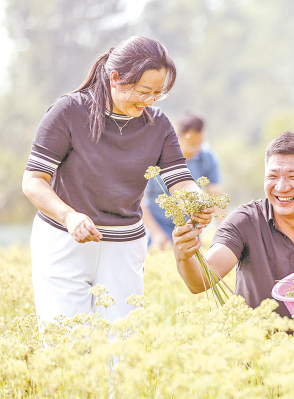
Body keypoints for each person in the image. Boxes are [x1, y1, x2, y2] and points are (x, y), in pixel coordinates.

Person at [22, 36, 212, 323]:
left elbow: (180, 180)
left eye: (157, 93)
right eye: (143, 91)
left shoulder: (158, 124)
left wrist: (196, 199)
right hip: (64, 240)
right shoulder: (69, 112)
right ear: (115, 78)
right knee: (66, 341)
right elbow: (33, 180)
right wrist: (69, 217)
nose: (148, 101)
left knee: (122, 347)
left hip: (125, 246)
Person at [172, 132, 294, 318]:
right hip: (260, 346)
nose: (281, 187)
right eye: (273, 176)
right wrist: (184, 256)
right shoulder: (245, 221)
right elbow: (200, 281)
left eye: (293, 176)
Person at [142, 111, 222, 250]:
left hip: (189, 228)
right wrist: (156, 233)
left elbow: (216, 196)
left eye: (200, 143)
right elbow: (138, 201)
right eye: (191, 144)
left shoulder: (207, 156)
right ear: (176, 136)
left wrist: (223, 234)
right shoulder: (155, 155)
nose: (196, 149)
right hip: (155, 228)